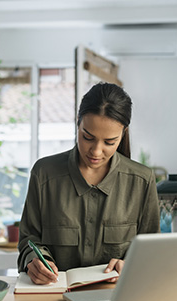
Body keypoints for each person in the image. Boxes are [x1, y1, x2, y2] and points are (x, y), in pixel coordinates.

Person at [17, 82, 160, 285]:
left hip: (116, 298)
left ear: (123, 133)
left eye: (109, 142)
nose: (96, 151)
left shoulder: (142, 181)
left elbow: (151, 250)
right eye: (87, 137)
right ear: (78, 123)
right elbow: (28, 239)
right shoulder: (44, 174)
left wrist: (131, 264)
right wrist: (36, 261)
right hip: (53, 297)